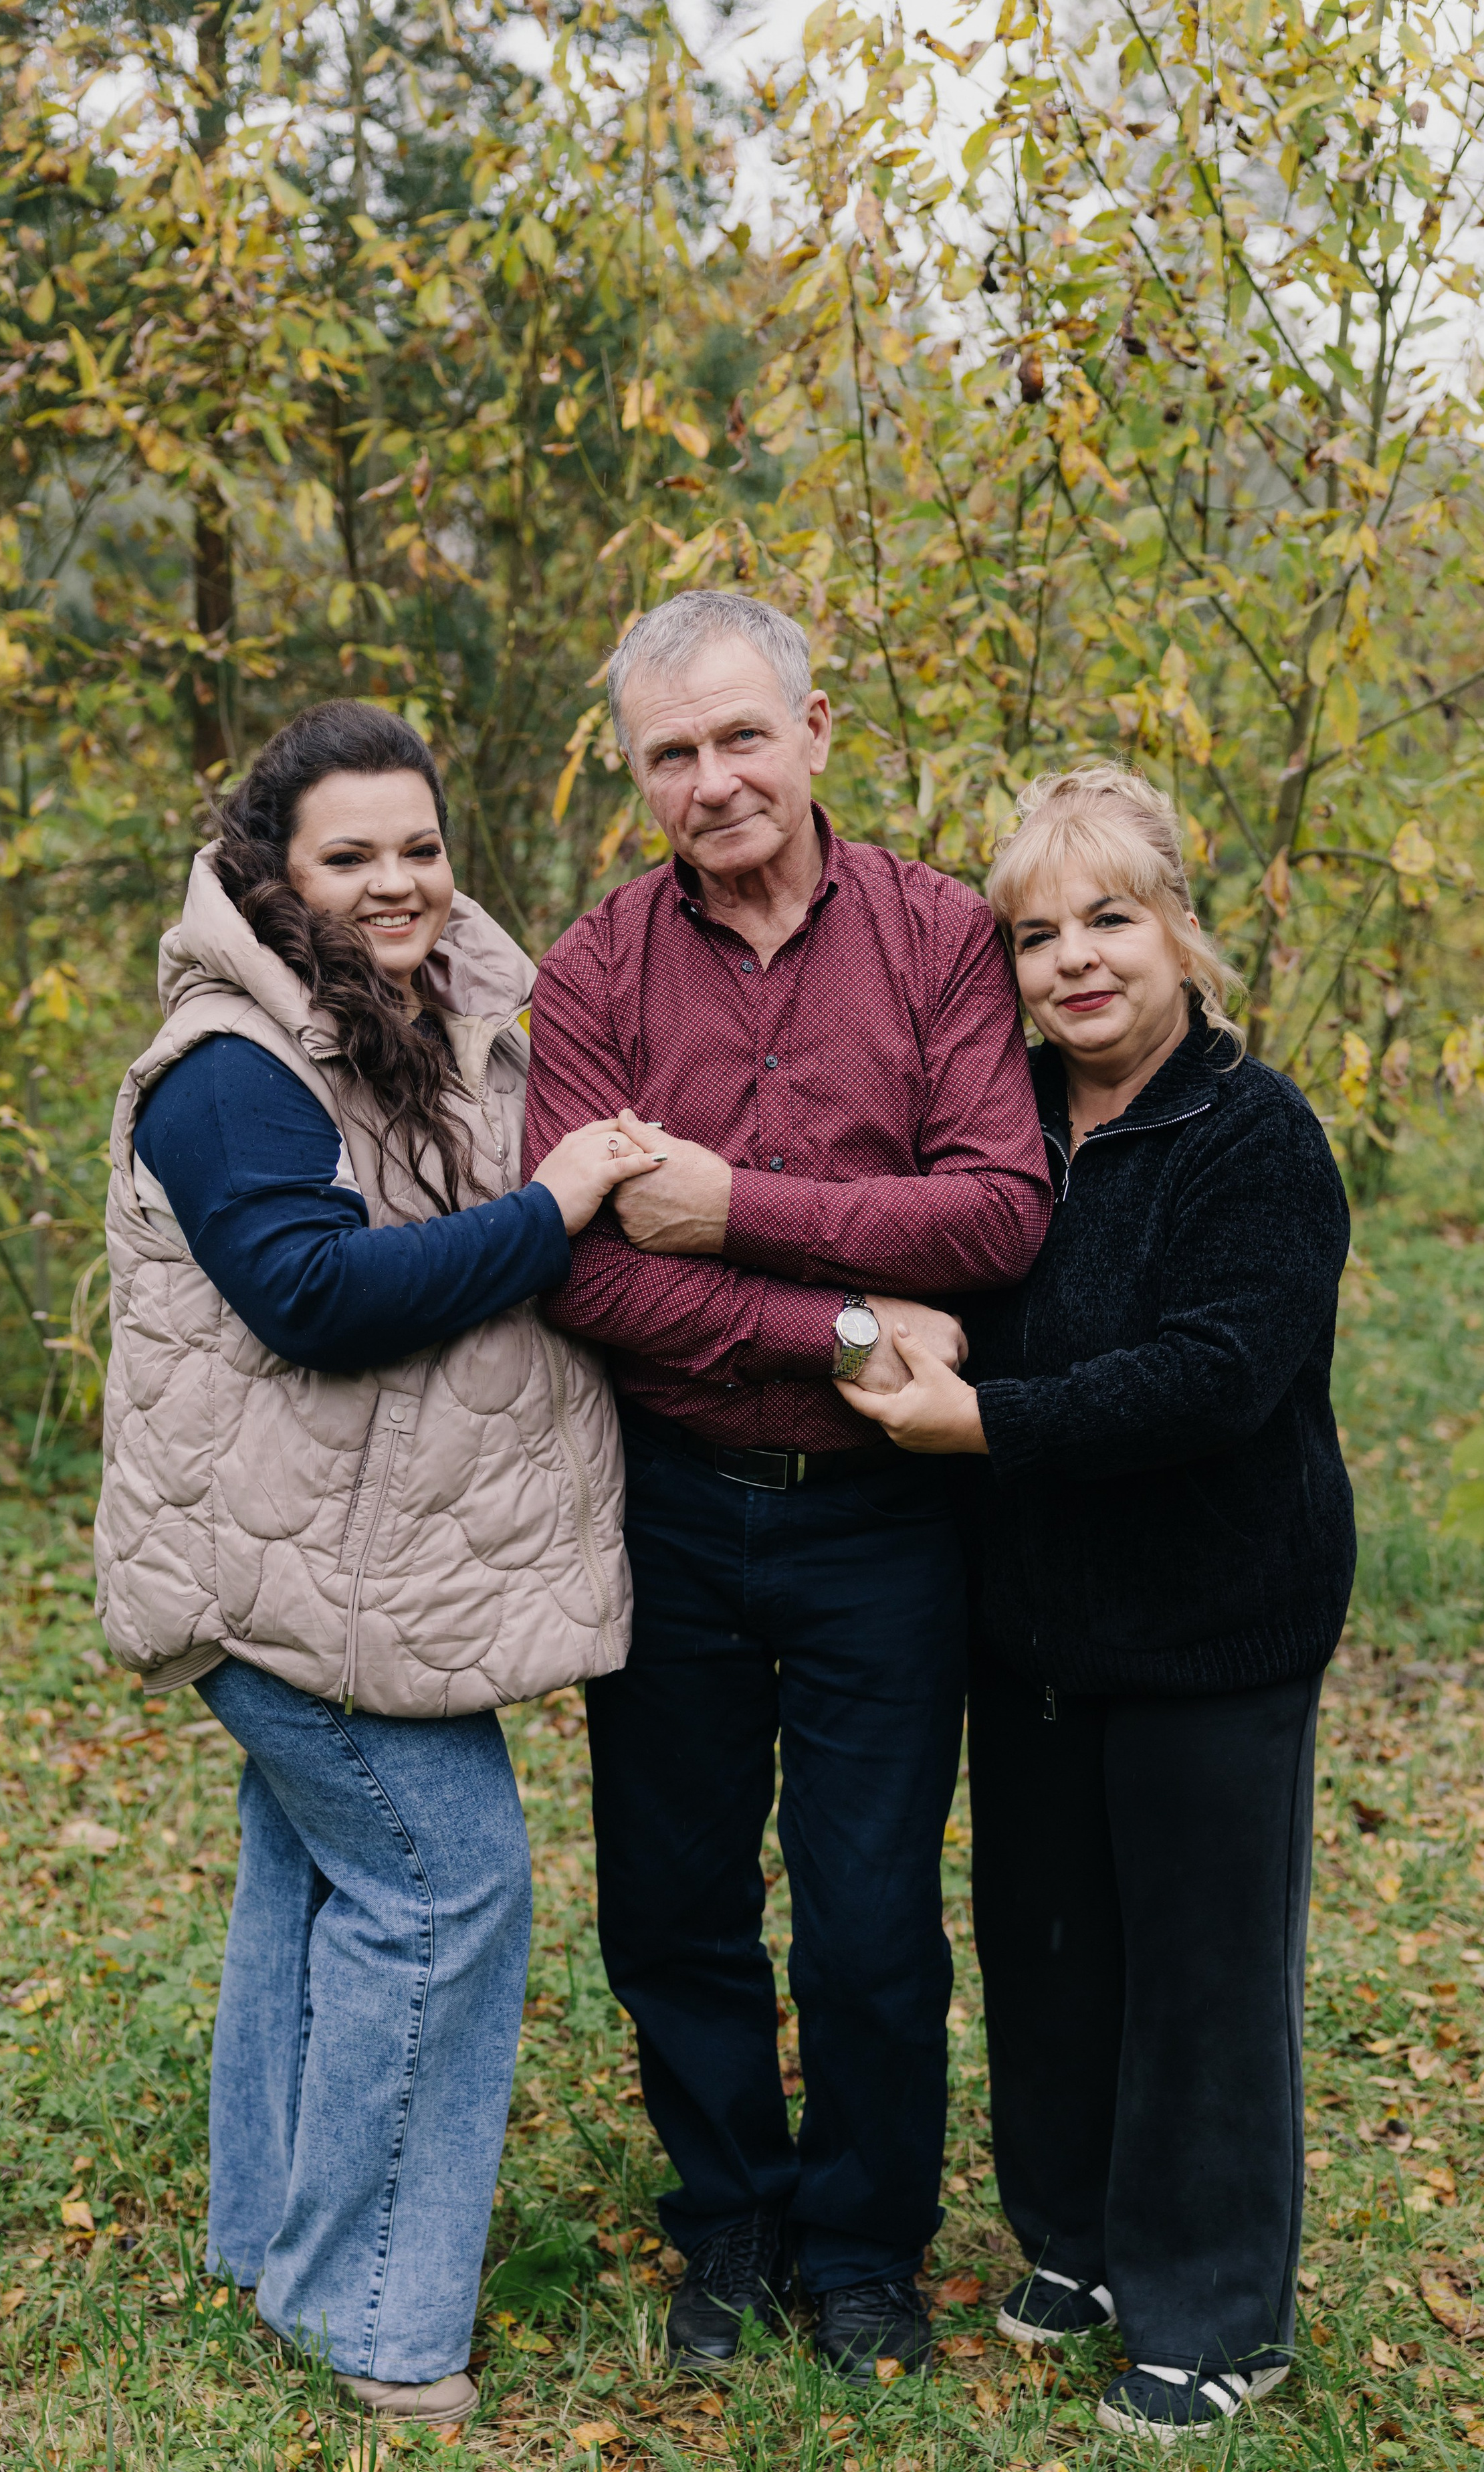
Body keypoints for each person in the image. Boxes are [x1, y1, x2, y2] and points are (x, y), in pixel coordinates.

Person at [94, 700, 663, 2423]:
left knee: (315, 1874)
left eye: (420, 845)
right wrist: (555, 1208)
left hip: (349, 1566)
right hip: (276, 1580)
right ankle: (369, 2316)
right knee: (444, 1881)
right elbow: (315, 1298)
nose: (398, 880)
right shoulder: (229, 1069)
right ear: (273, 873)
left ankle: (268, 2235)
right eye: (351, 855)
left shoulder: (431, 1017)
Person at [522, 590, 1053, 2378]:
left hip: (881, 1517)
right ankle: (732, 2220)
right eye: (672, 752)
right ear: (636, 774)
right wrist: (839, 1315)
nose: (714, 779)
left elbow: (996, 1209)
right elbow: (583, 1271)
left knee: (870, 1913)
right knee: (671, 1900)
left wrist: (730, 1208)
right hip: (669, 1500)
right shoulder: (595, 972)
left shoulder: (937, 936)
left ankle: (865, 2247)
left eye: (743, 734)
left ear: (815, 731)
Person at [838, 762, 1355, 2440]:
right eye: (1035, 933)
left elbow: (1211, 1373)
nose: (1073, 960)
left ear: (1179, 931)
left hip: (1213, 1624)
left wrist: (981, 1419)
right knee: (1050, 1947)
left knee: (1201, 1975)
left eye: (1108, 918)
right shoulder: (1006, 1132)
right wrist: (915, 1331)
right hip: (1037, 1626)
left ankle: (1215, 2312)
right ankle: (1077, 2238)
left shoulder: (1250, 1134)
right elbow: (950, 1276)